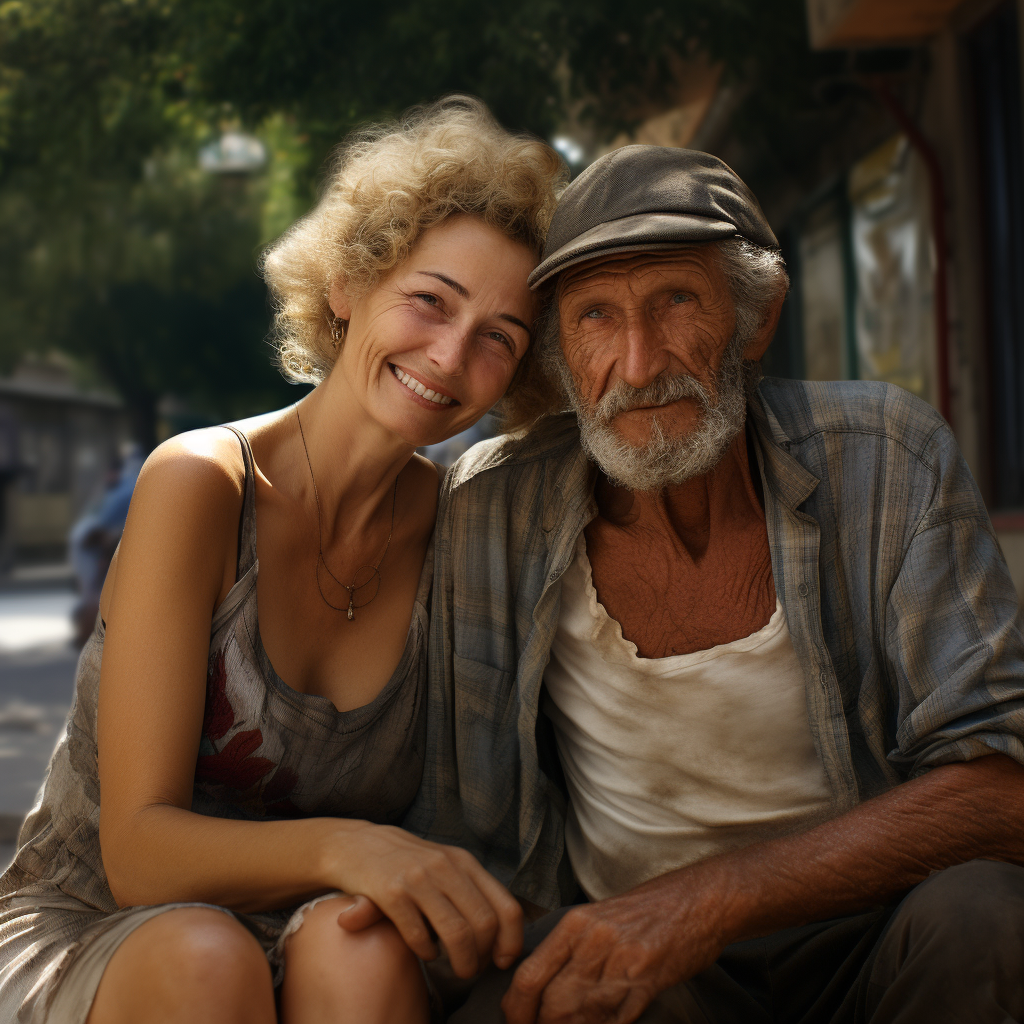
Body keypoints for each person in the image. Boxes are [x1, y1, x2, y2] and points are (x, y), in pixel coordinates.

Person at [405, 145, 1024, 1023]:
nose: (640, 360)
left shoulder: (886, 456)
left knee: (987, 920)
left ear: (756, 315)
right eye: (593, 318)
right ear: (559, 351)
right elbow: (463, 822)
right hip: (641, 968)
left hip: (874, 940)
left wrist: (709, 900)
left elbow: (1006, 785)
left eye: (678, 301)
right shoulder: (491, 512)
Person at [0, 97, 566, 1024]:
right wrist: (353, 849)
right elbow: (137, 851)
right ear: (349, 283)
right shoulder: (203, 482)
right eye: (430, 300)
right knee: (205, 958)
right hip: (105, 920)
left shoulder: (466, 524)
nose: (451, 354)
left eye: (500, 337)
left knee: (363, 949)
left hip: (319, 922)